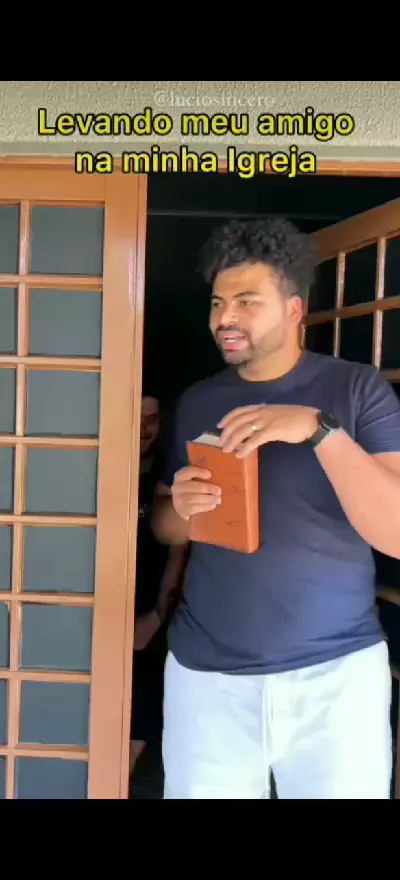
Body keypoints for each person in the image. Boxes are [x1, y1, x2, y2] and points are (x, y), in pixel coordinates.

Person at [152, 217, 400, 799]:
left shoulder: (357, 391)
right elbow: (164, 526)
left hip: (336, 677)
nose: (225, 318)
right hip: (206, 679)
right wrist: (181, 509)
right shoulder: (199, 401)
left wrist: (318, 430)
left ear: (293, 310)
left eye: (247, 301)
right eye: (218, 303)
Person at [130, 391, 187, 778]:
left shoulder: (168, 477)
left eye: (152, 420)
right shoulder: (93, 470)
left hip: (154, 610)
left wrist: (156, 615)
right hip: (98, 604)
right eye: (137, 418)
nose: (144, 430)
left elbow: (179, 552)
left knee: (148, 691)